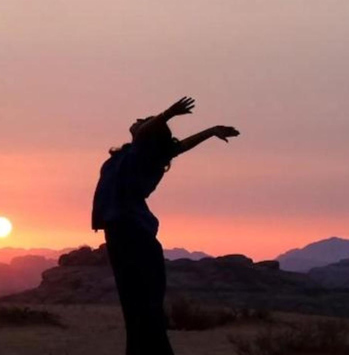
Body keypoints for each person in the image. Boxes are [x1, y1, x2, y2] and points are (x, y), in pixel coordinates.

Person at [91, 97, 239, 355]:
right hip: (129, 232)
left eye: (145, 122)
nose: (139, 121)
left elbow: (155, 135)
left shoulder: (140, 154)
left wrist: (168, 114)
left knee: (140, 303)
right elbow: (178, 146)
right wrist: (211, 131)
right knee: (139, 303)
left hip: (130, 232)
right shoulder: (139, 154)